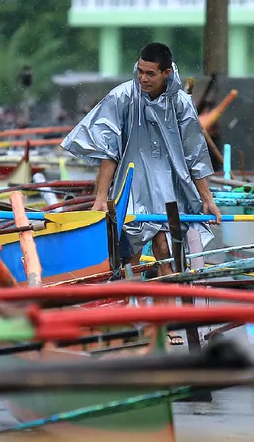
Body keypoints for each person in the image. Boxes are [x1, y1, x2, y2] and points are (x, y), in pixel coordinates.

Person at [61, 42, 221, 274]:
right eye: (140, 71)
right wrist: (101, 197)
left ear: (166, 73)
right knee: (129, 255)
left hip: (170, 186)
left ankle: (170, 305)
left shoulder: (181, 103)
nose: (143, 79)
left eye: (150, 74)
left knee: (166, 250)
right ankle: (130, 304)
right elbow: (109, 151)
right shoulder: (122, 96)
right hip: (132, 186)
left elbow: (194, 153)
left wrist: (207, 198)